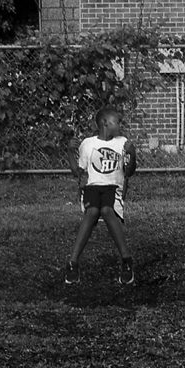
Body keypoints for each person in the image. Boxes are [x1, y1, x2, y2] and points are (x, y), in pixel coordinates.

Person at [65, 105, 138, 286]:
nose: (120, 124)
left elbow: (129, 171)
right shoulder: (88, 144)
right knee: (92, 212)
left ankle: (127, 261)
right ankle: (73, 263)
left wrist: (132, 154)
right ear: (105, 123)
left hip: (113, 188)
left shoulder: (123, 142)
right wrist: (69, 152)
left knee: (106, 210)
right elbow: (78, 172)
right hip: (92, 187)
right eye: (117, 121)